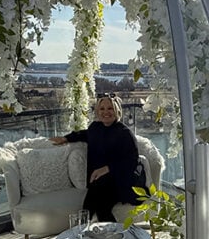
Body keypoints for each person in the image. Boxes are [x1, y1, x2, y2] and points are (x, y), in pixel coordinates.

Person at [50, 94, 145, 222]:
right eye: (102, 109)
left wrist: (106, 168)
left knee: (99, 206)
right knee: (94, 207)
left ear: (117, 110)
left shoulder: (124, 133)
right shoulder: (95, 128)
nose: (106, 112)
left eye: (110, 108)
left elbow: (132, 162)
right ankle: (90, 232)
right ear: (97, 111)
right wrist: (66, 138)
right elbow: (83, 134)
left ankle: (93, 232)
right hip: (99, 181)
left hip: (121, 181)